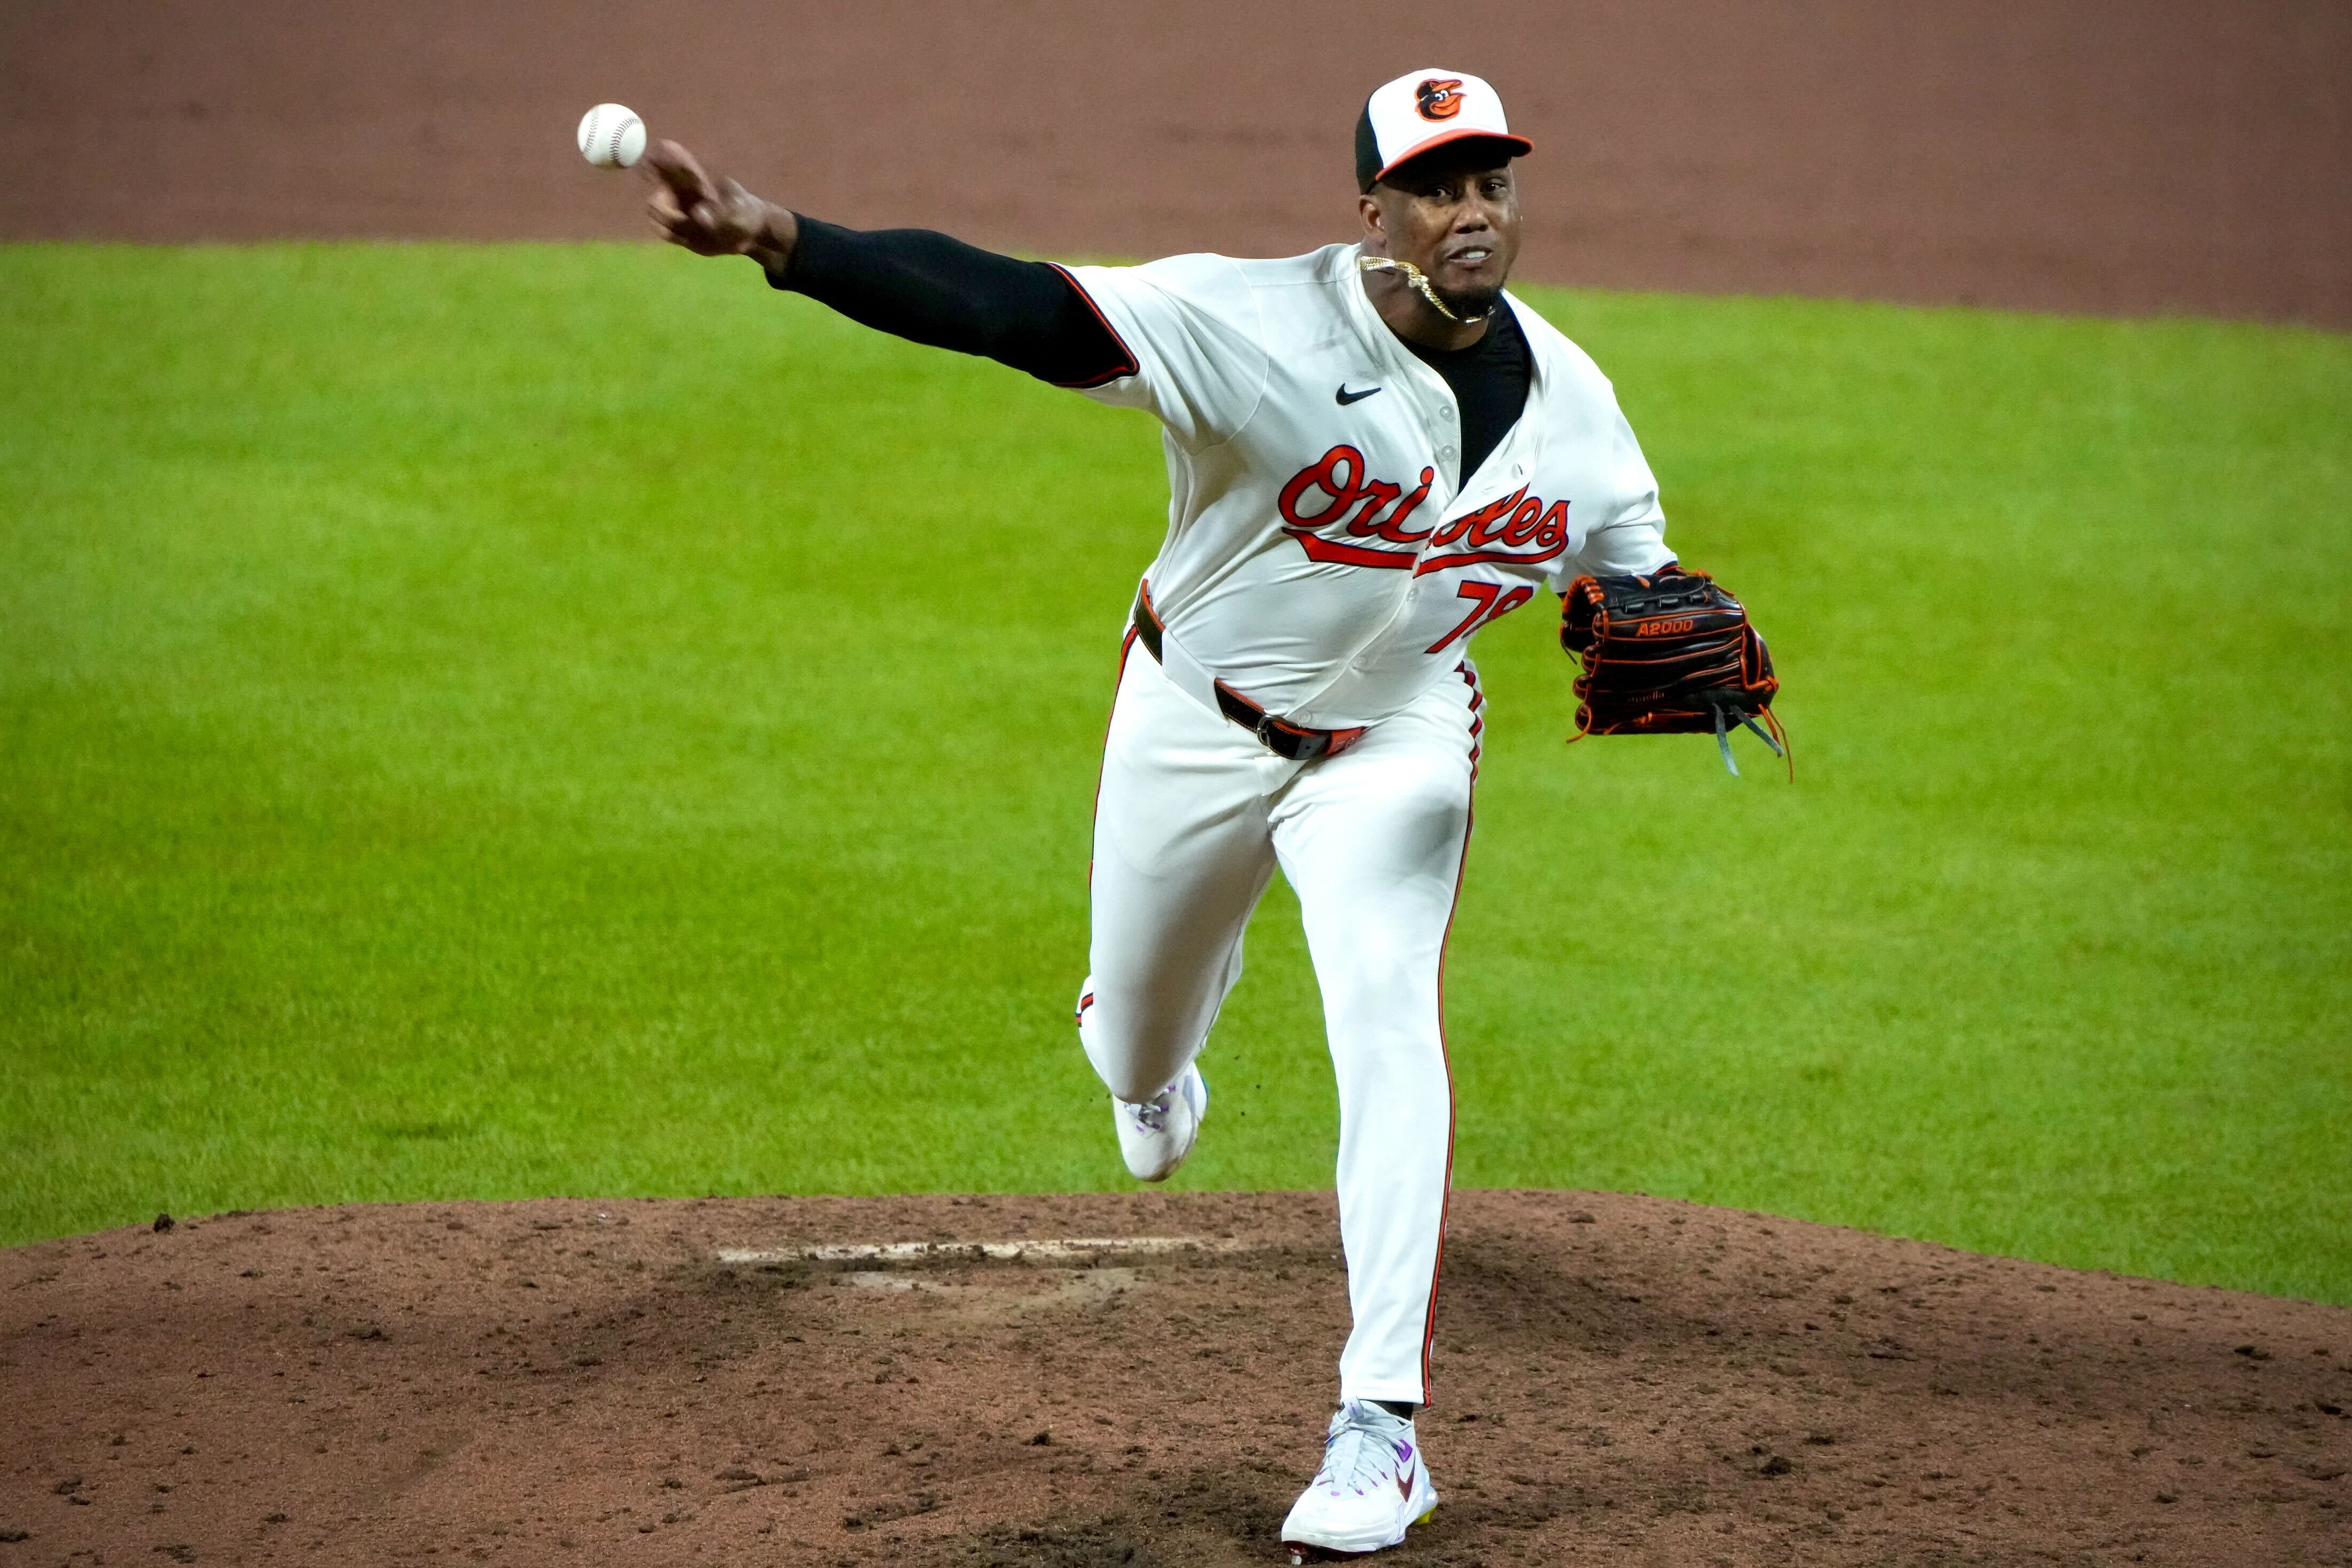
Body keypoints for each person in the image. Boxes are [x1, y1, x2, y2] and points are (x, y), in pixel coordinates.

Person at [636, 68, 1676, 1560]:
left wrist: (1658, 619)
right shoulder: (1250, 324)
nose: (1471, 212)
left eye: (1492, 183)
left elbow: (1633, 560)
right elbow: (1008, 307)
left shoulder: (1577, 408)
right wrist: (781, 237)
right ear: (1371, 210)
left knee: (1387, 1011)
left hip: (1396, 739)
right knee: (1135, 1053)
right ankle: (1150, 1053)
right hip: (1193, 723)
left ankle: (1381, 1430)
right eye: (1438, 185)